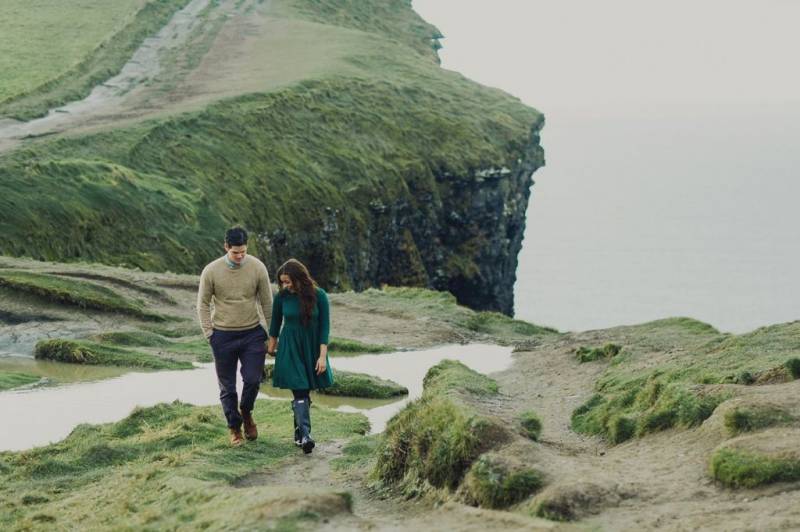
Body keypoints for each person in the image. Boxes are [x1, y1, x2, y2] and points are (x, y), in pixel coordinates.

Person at [197, 226, 273, 446]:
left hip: (252, 334)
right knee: (227, 387)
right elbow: (202, 304)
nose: (240, 257)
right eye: (235, 253)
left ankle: (246, 412)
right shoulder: (211, 271)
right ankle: (234, 429)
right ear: (226, 247)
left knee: (252, 380)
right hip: (222, 336)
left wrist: (274, 334)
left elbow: (267, 303)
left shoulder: (258, 267)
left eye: (243, 252)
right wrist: (209, 333)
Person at [267, 258, 334, 454]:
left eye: (288, 281)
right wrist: (271, 347)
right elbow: (275, 325)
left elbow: (324, 328)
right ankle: (306, 436)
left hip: (312, 347)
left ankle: (299, 434)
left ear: (299, 279)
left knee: (303, 391)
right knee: (300, 389)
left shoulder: (319, 295)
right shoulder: (281, 298)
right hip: (290, 348)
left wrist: (322, 357)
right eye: (282, 282)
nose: (285, 286)